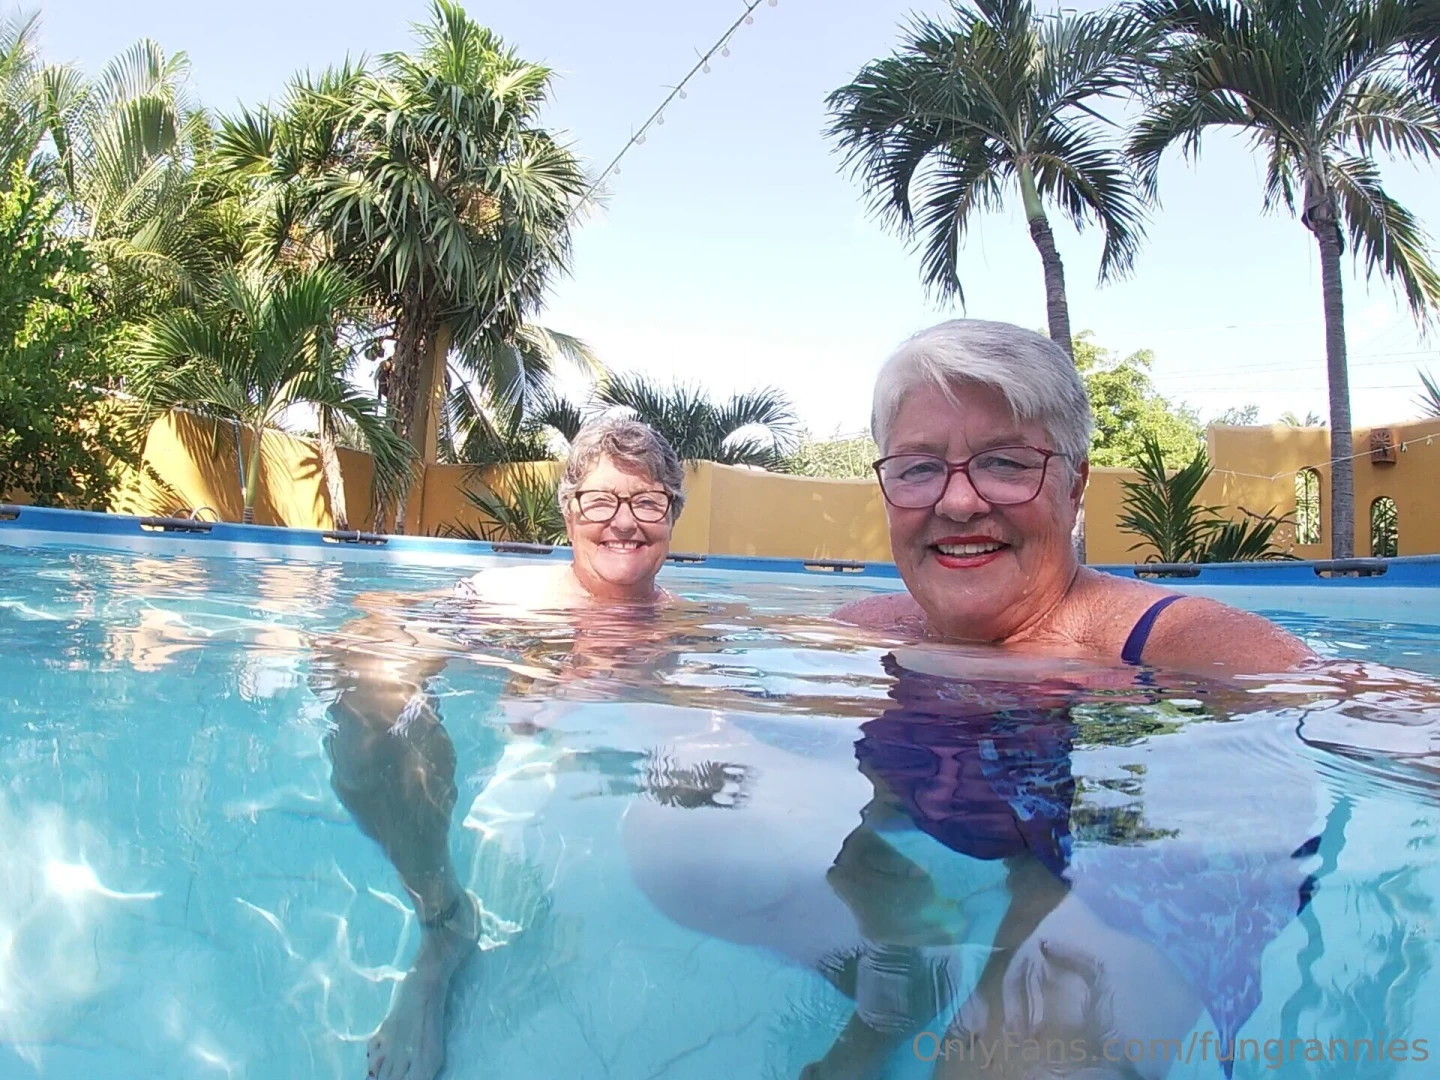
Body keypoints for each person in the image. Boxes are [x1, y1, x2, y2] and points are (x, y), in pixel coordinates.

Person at [312, 416, 686, 1080]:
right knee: (368, 700)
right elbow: (382, 618)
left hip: (610, 823)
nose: (623, 520)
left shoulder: (689, 632)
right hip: (509, 776)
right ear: (569, 510)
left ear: (672, 515)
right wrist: (390, 664)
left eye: (647, 501)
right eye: (601, 499)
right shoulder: (509, 596)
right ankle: (443, 920)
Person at [834, 319, 1314, 675]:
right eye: (919, 467)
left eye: (1004, 462)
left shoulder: (1188, 646)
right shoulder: (860, 630)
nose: (959, 503)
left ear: (1074, 488)